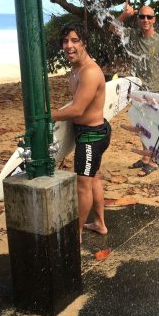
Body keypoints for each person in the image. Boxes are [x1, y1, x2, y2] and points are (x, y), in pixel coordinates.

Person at [51, 22, 110, 241]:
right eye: (65, 41)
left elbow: (77, 109)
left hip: (91, 137)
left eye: (75, 40)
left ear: (84, 43)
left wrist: (47, 115)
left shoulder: (90, 72)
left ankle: (76, 234)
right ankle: (100, 224)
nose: (69, 45)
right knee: (93, 179)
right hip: (91, 132)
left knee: (83, 184)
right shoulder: (76, 69)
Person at [114, 0, 159, 177]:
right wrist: (124, 15)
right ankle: (145, 158)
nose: (145, 19)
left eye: (149, 17)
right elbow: (113, 29)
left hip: (153, 92)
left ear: (154, 19)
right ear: (138, 19)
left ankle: (151, 162)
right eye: (142, 16)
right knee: (141, 126)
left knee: (150, 128)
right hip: (137, 91)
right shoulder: (133, 35)